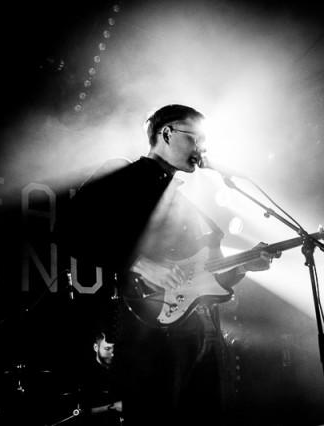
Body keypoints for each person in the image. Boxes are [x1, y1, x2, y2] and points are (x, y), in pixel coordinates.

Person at [54, 104, 277, 425]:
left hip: (199, 336)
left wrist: (241, 268)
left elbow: (201, 276)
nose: (201, 148)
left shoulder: (184, 196)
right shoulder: (123, 173)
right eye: (195, 138)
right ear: (167, 133)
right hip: (150, 337)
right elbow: (67, 230)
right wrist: (139, 263)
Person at [76, 331, 122, 426]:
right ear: (96, 347)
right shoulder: (87, 375)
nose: (112, 354)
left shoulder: (118, 371)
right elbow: (82, 412)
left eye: (114, 349)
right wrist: (113, 407)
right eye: (107, 349)